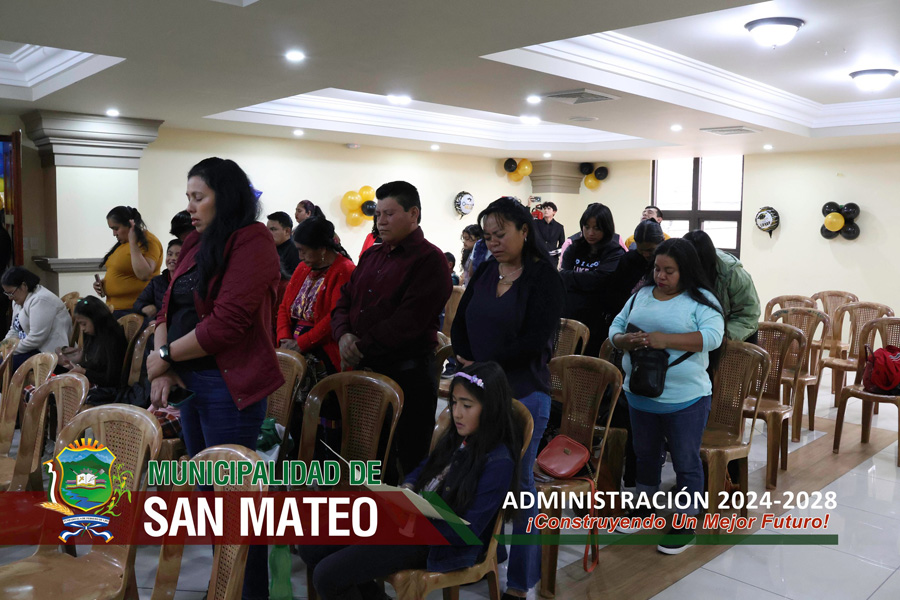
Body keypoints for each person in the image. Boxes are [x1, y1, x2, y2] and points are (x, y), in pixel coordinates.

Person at [146, 157, 283, 600]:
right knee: (211, 498)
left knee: (238, 505)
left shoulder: (253, 241)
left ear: (226, 197)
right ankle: (226, 583)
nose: (190, 206)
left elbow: (226, 324)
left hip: (229, 387)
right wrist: (164, 364)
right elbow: (168, 308)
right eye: (188, 197)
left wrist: (165, 356)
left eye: (199, 197)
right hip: (192, 384)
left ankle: (250, 590)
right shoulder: (194, 241)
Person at [298, 362, 522, 600]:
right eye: (455, 402)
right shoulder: (459, 436)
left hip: (437, 542)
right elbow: (425, 467)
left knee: (327, 576)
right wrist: (408, 487)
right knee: (311, 545)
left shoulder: (498, 462)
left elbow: (468, 532)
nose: (457, 413)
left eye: (467, 405)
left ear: (490, 408)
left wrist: (414, 524)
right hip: (412, 519)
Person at [450, 196, 564, 599]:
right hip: (479, 390)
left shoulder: (543, 277)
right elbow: (460, 323)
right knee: (477, 474)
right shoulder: (485, 270)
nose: (493, 242)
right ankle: (482, 559)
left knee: (519, 484)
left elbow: (534, 339)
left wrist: (486, 366)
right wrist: (467, 360)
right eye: (487, 236)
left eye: (500, 234)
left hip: (523, 393)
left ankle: (520, 581)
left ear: (524, 231)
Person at [608, 238, 725, 554]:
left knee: (686, 461)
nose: (661, 276)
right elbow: (616, 326)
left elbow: (713, 337)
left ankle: (686, 521)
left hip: (685, 398)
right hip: (639, 393)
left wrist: (665, 340)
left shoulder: (701, 301)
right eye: (657, 269)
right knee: (645, 454)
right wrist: (623, 340)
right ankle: (644, 508)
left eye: (669, 271)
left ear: (685, 270)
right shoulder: (641, 295)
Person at [332, 180, 451, 481]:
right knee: (365, 457)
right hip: (366, 371)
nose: (381, 221)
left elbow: (408, 321)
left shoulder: (430, 260)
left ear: (413, 214)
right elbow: (344, 300)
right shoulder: (372, 255)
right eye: (378, 214)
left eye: (389, 214)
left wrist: (359, 346)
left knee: (406, 463)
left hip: (407, 376)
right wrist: (343, 334)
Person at [276, 218, 354, 375]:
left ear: (322, 249)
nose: (300, 256)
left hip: (323, 348)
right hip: (291, 343)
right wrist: (284, 339)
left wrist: (301, 344)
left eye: (303, 250)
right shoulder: (303, 267)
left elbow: (334, 318)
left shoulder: (345, 270)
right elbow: (284, 307)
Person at [559, 203, 625, 356]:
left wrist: (571, 277)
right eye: (586, 227)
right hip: (569, 318)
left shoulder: (615, 251)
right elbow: (562, 278)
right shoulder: (574, 247)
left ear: (606, 228)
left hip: (597, 322)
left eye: (596, 228)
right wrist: (585, 279)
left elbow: (599, 281)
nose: (590, 233)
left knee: (590, 364)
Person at [683, 230, 761, 344]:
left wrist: (719, 335)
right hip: (704, 333)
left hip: (736, 334)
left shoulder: (733, 273)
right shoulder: (679, 265)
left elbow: (748, 315)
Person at [94, 206, 163, 317]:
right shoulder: (122, 244)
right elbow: (123, 271)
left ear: (129, 225)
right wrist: (104, 284)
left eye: (116, 228)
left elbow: (144, 274)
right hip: (114, 308)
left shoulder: (148, 240)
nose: (114, 233)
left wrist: (133, 242)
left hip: (134, 310)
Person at [2, 266, 72, 371]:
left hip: (48, 354)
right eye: (7, 293)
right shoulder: (18, 300)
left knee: (5, 364)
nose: (9, 297)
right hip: (31, 350)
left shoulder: (41, 299)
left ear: (24, 286)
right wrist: (3, 346)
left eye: (11, 292)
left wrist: (9, 351)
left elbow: (35, 339)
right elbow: (14, 330)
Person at [60, 296, 128, 403]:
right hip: (95, 383)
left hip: (109, 390)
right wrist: (77, 367)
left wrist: (84, 371)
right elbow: (93, 364)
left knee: (64, 395)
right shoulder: (92, 334)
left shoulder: (113, 337)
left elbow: (112, 379)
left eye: (84, 324)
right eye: (80, 324)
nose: (82, 328)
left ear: (96, 319)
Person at [608, 219, 666, 316]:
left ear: (662, 242)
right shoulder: (628, 260)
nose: (646, 254)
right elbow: (616, 293)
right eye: (641, 250)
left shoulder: (667, 263)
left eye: (650, 250)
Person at [133, 239, 182, 321]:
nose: (173, 258)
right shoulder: (157, 281)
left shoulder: (189, 282)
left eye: (178, 255)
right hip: (157, 323)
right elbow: (138, 303)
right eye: (170, 254)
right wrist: (144, 308)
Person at [267, 211, 301, 279]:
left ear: (287, 231)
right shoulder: (269, 249)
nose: (268, 233)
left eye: (273, 229)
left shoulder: (296, 251)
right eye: (267, 229)